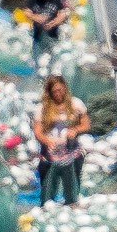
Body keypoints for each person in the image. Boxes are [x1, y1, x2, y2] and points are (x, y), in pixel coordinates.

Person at [33, 77, 88, 206]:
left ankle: (72, 202)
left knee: (72, 182)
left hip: (71, 150)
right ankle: (47, 205)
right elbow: (38, 132)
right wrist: (47, 141)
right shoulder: (42, 108)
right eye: (55, 91)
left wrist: (75, 130)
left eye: (60, 90)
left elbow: (86, 124)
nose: (58, 94)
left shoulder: (76, 104)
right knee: (48, 183)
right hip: (50, 152)